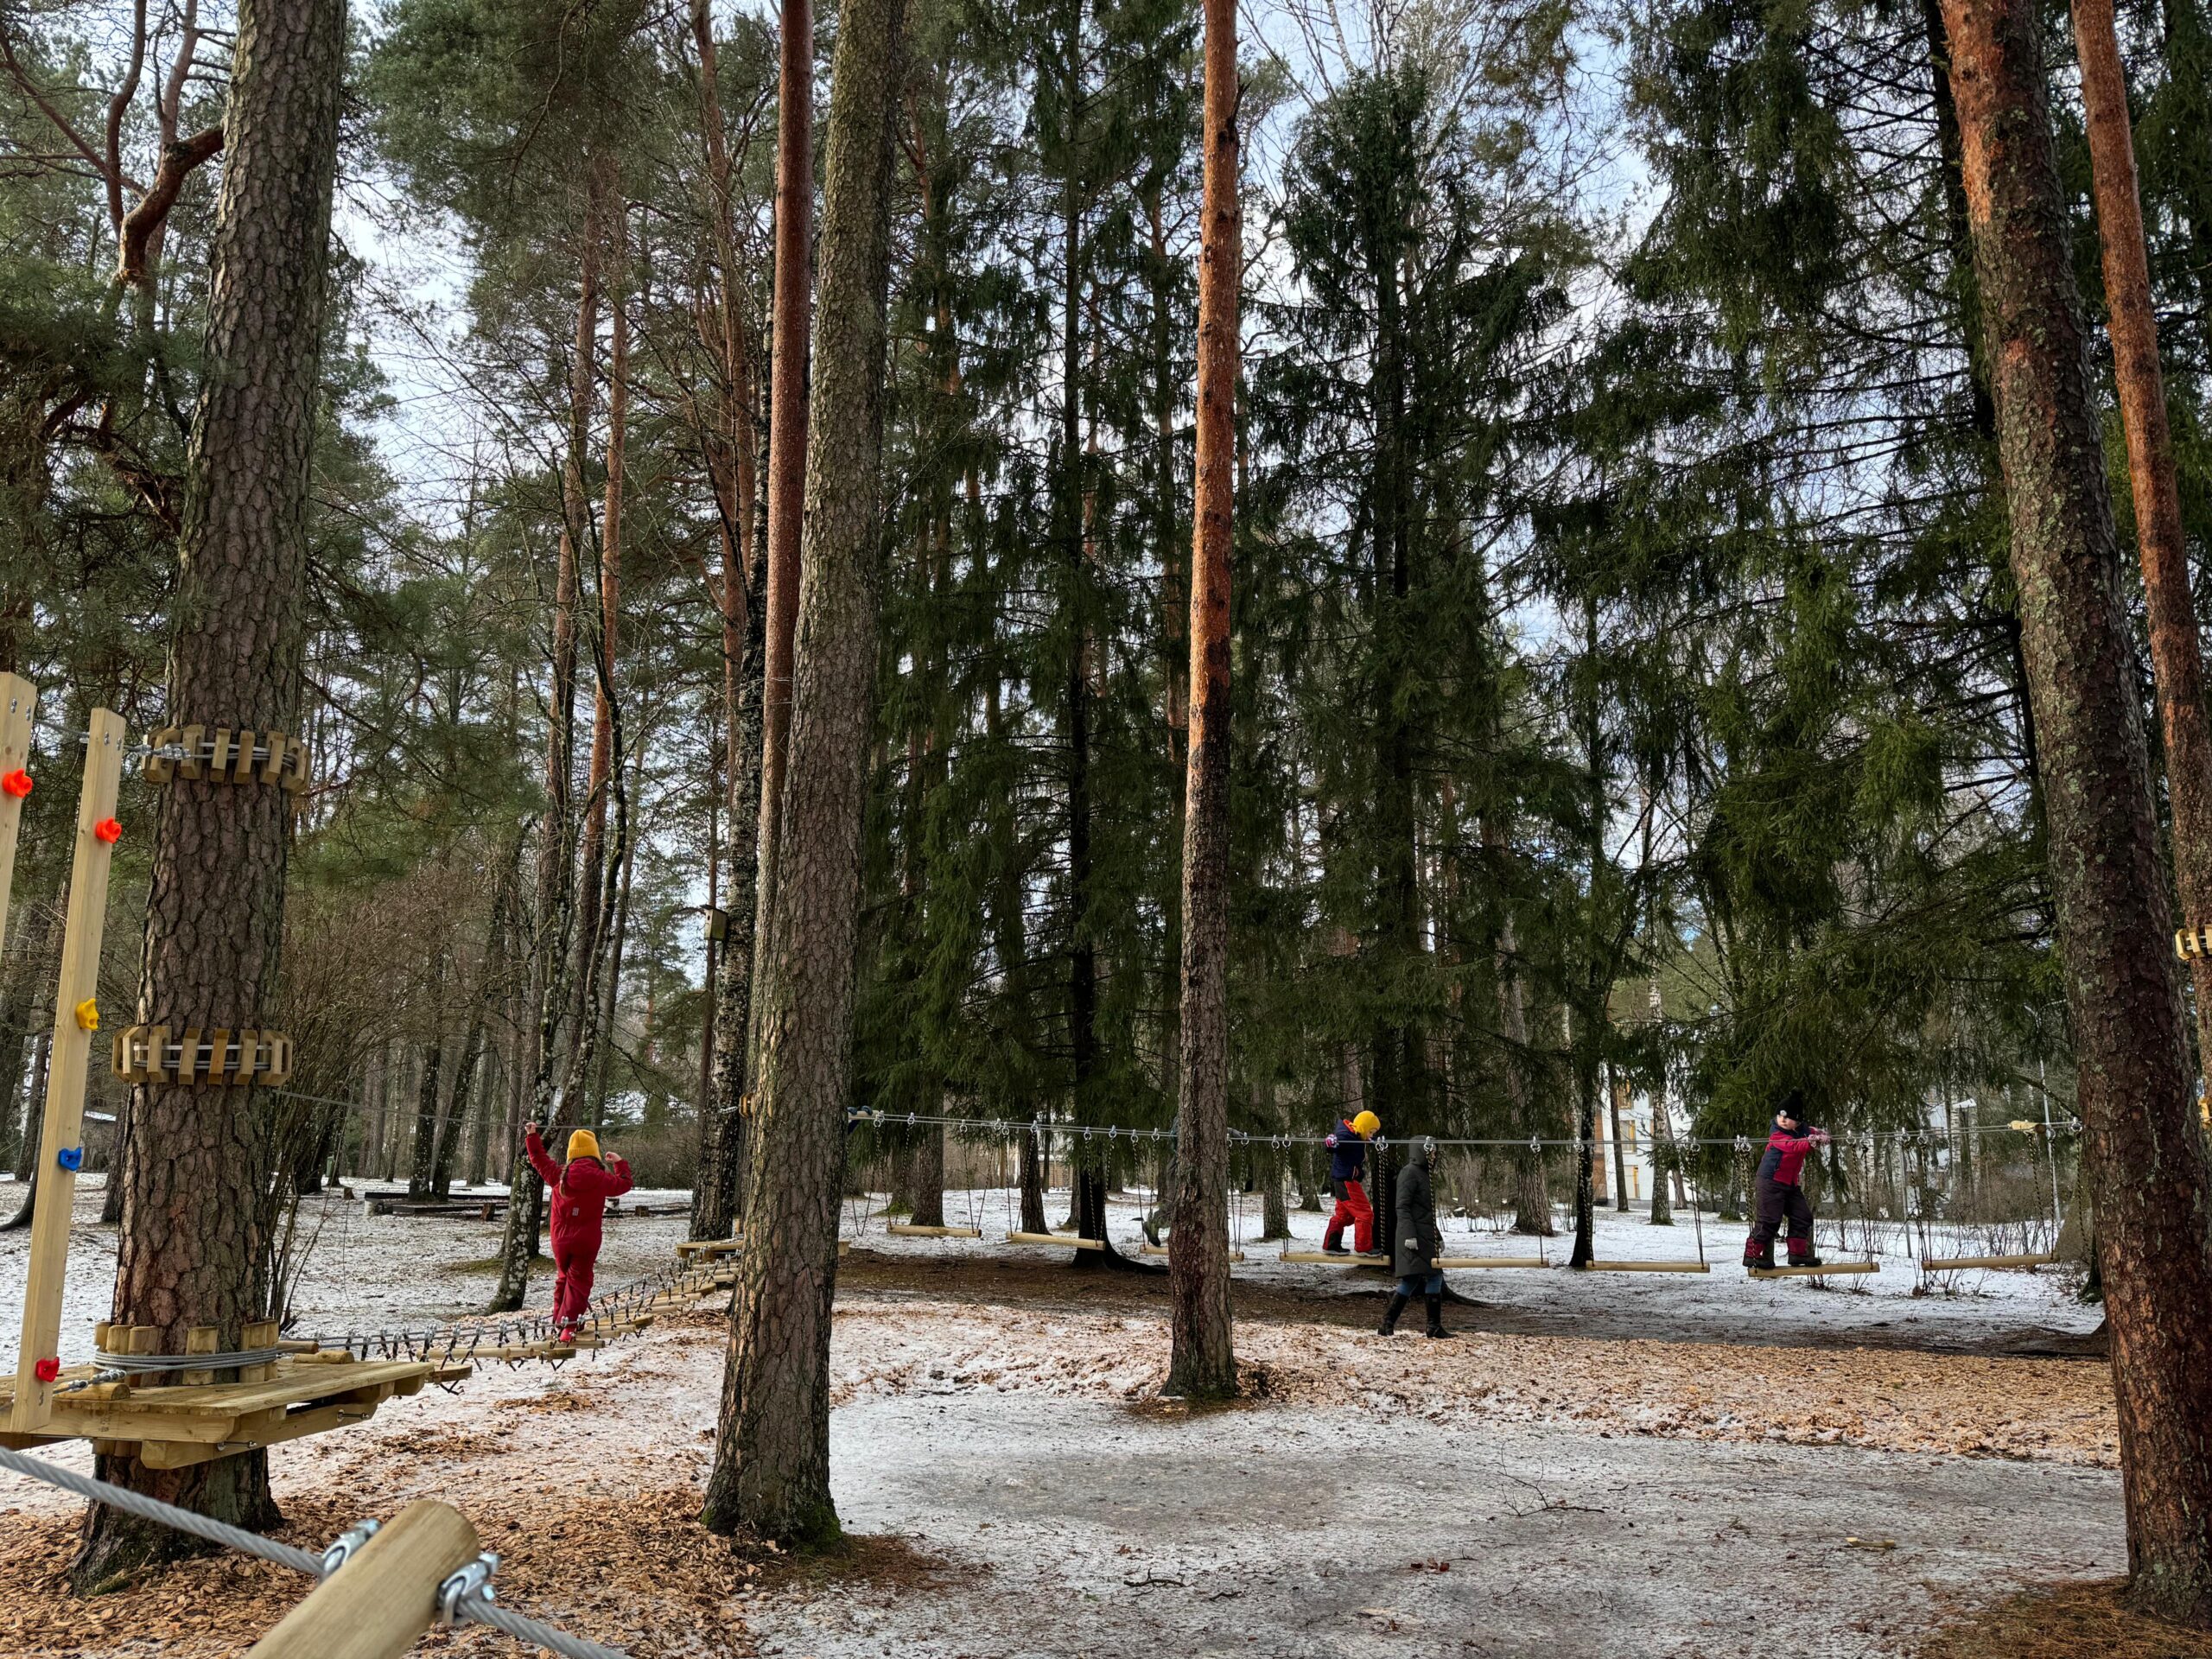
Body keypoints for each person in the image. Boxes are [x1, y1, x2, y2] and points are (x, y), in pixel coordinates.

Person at [524, 1122, 633, 1336]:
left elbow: (538, 1159)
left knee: (564, 1277)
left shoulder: (559, 1175)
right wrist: (619, 1163)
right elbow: (624, 1184)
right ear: (594, 1154)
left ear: (571, 1154)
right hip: (587, 1239)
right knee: (579, 1280)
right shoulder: (601, 1178)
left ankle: (559, 1320)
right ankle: (569, 1326)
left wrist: (532, 1135)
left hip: (560, 1239)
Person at [1742, 1096, 1830, 1270]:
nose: (1782, 1120)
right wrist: (1811, 1142)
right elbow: (1792, 1146)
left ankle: (1797, 1254)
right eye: (1779, 1116)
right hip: (1770, 1181)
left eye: (1787, 1117)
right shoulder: (1776, 1133)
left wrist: (1822, 1136)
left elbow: (1814, 1131)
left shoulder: (1803, 1130)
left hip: (1789, 1183)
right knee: (1769, 1221)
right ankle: (1751, 1255)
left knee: (1802, 1216)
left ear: (1797, 1121)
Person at [1379, 1137, 1451, 1338]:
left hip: (1425, 1235)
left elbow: (1426, 1212)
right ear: (1421, 1151)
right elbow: (1402, 1206)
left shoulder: (1425, 1175)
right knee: (1422, 1277)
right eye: (1431, 1151)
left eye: (1435, 1152)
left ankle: (1390, 1323)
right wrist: (1409, 1235)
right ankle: (1428, 1326)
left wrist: (1437, 1236)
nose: (1434, 1155)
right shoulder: (1409, 1172)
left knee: (1424, 1277)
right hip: (1413, 1236)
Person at [1322, 1109, 1381, 1255]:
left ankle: (1331, 1245)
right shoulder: (1347, 1136)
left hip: (1341, 1181)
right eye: (1371, 1132)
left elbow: (1353, 1147)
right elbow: (1336, 1144)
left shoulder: (1356, 1136)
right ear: (1364, 1128)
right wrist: (1331, 1143)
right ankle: (1364, 1247)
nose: (1371, 1136)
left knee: (1344, 1216)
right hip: (1347, 1181)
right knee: (1365, 1213)